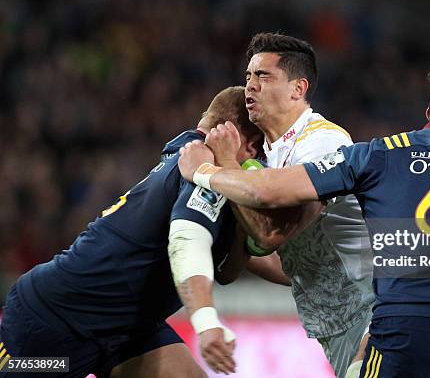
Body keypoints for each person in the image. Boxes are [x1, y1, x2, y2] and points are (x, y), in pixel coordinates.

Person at [178, 58, 430, 378]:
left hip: (401, 329)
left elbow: (267, 191)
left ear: (429, 113)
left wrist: (207, 171)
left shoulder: (375, 154)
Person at [0, 86, 262, 378]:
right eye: (264, 154)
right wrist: (206, 320)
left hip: (130, 328)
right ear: (249, 147)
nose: (263, 168)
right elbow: (186, 242)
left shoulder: (192, 153)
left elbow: (228, 270)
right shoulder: (202, 167)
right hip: (57, 321)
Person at [199, 32, 375, 378]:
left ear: (298, 89)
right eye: (248, 76)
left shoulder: (322, 142)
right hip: (335, 325)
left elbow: (272, 235)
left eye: (263, 76)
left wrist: (218, 169)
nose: (251, 86)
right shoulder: (268, 159)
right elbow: (282, 264)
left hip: (375, 312)